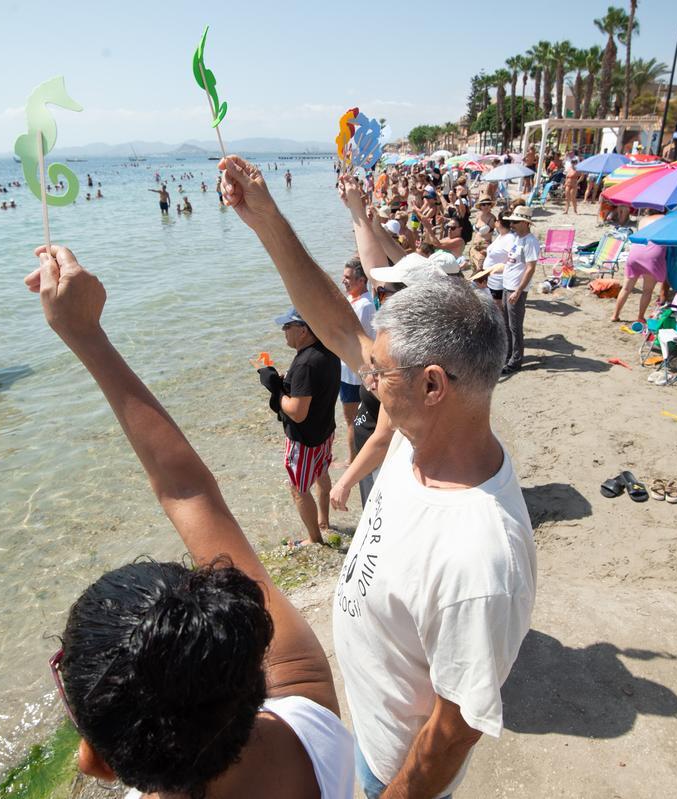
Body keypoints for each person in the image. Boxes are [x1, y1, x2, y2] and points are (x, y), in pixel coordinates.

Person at [220, 154, 537, 799]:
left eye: (379, 373)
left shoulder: (481, 555)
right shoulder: (422, 438)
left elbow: (453, 732)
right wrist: (267, 221)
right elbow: (337, 321)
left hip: (391, 767)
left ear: (433, 385)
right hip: (365, 727)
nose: (367, 378)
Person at [25, 244, 354, 799]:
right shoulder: (310, 721)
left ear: (97, 762)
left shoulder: (304, 702)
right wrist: (86, 334)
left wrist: (85, 335)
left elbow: (188, 492)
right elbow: (190, 492)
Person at [257, 308, 340, 546]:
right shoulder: (328, 351)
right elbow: (313, 390)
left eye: (287, 327)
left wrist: (276, 391)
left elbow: (297, 412)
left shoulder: (305, 363)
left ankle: (314, 538)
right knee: (322, 472)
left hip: (304, 439)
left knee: (298, 488)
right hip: (325, 430)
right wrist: (285, 383)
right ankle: (323, 521)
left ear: (303, 330)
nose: (283, 332)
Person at [337, 258, 376, 465]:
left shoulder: (363, 305)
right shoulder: (358, 301)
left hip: (352, 372)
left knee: (351, 419)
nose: (343, 280)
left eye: (348, 278)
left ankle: (353, 461)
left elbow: (350, 336)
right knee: (355, 418)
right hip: (351, 370)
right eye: (343, 276)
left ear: (361, 281)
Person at [499, 205, 541, 375]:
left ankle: (515, 361)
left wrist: (518, 290)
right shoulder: (517, 238)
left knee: (515, 327)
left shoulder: (530, 241)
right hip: (507, 286)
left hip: (515, 288)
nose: (512, 225)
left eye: (515, 222)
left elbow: (531, 268)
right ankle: (509, 356)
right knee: (507, 325)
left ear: (525, 223)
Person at [612, 214, 667, 323]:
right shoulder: (666, 219)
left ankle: (615, 315)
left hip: (636, 251)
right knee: (647, 291)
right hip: (652, 254)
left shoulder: (643, 219)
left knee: (626, 288)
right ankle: (640, 317)